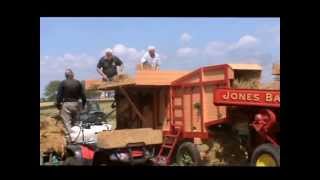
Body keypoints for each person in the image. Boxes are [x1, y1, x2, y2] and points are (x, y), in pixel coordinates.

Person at [56, 69, 87, 143]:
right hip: (76, 103)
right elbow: (83, 95)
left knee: (67, 122)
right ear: (73, 75)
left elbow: (59, 96)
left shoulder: (63, 83)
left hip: (66, 104)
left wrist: (58, 105)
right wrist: (83, 104)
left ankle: (71, 140)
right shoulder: (78, 83)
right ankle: (79, 138)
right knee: (76, 122)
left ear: (65, 76)